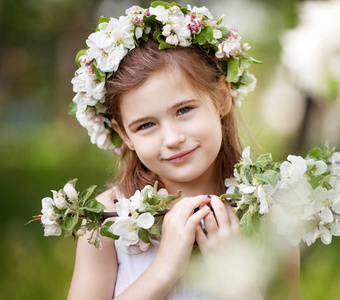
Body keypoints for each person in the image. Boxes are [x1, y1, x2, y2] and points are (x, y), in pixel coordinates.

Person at [67, 3, 299, 299]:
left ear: (221, 98)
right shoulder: (105, 220)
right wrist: (164, 269)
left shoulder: (272, 213)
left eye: (184, 109)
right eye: (146, 125)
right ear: (124, 134)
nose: (172, 138)